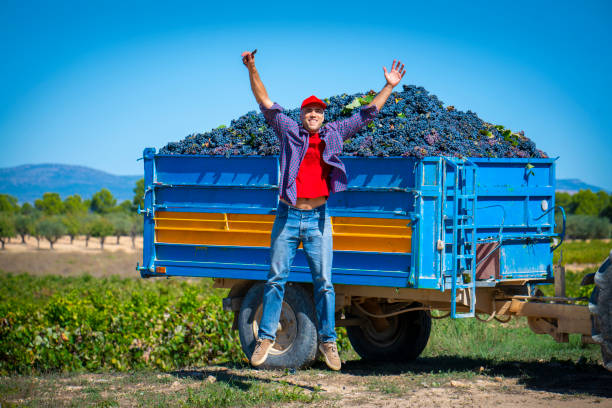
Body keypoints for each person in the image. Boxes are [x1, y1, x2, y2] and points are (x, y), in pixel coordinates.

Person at [241, 50, 405, 370]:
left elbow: (367, 114)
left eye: (318, 111)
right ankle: (265, 338)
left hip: (318, 219)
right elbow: (265, 102)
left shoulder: (335, 133)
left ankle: (328, 341)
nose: (313, 114)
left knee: (324, 283)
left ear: (324, 116)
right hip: (288, 217)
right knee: (276, 279)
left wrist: (388, 87)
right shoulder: (288, 131)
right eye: (309, 111)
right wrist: (252, 68)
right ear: (302, 115)